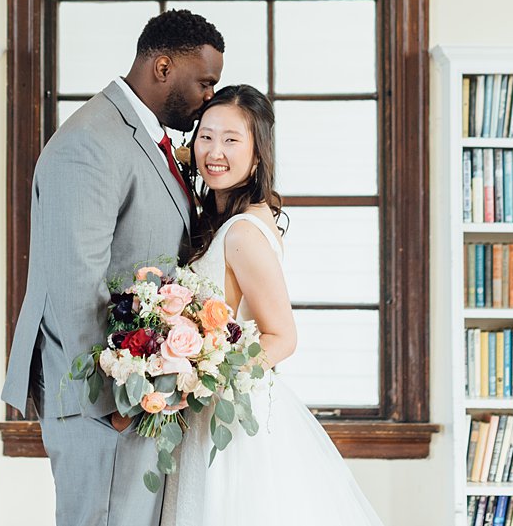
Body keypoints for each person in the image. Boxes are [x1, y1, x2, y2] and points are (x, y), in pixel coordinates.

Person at [2, 9, 225, 526]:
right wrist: (117, 402)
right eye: (205, 82)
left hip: (140, 394)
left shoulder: (147, 139)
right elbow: (75, 283)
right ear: (164, 67)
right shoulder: (91, 142)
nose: (210, 97)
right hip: (102, 400)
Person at [164, 84, 386, 526]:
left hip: (228, 415)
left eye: (232, 140)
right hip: (213, 408)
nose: (215, 152)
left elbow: (283, 337)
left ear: (259, 152)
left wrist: (205, 372)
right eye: (206, 137)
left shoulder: (243, 232)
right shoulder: (234, 214)